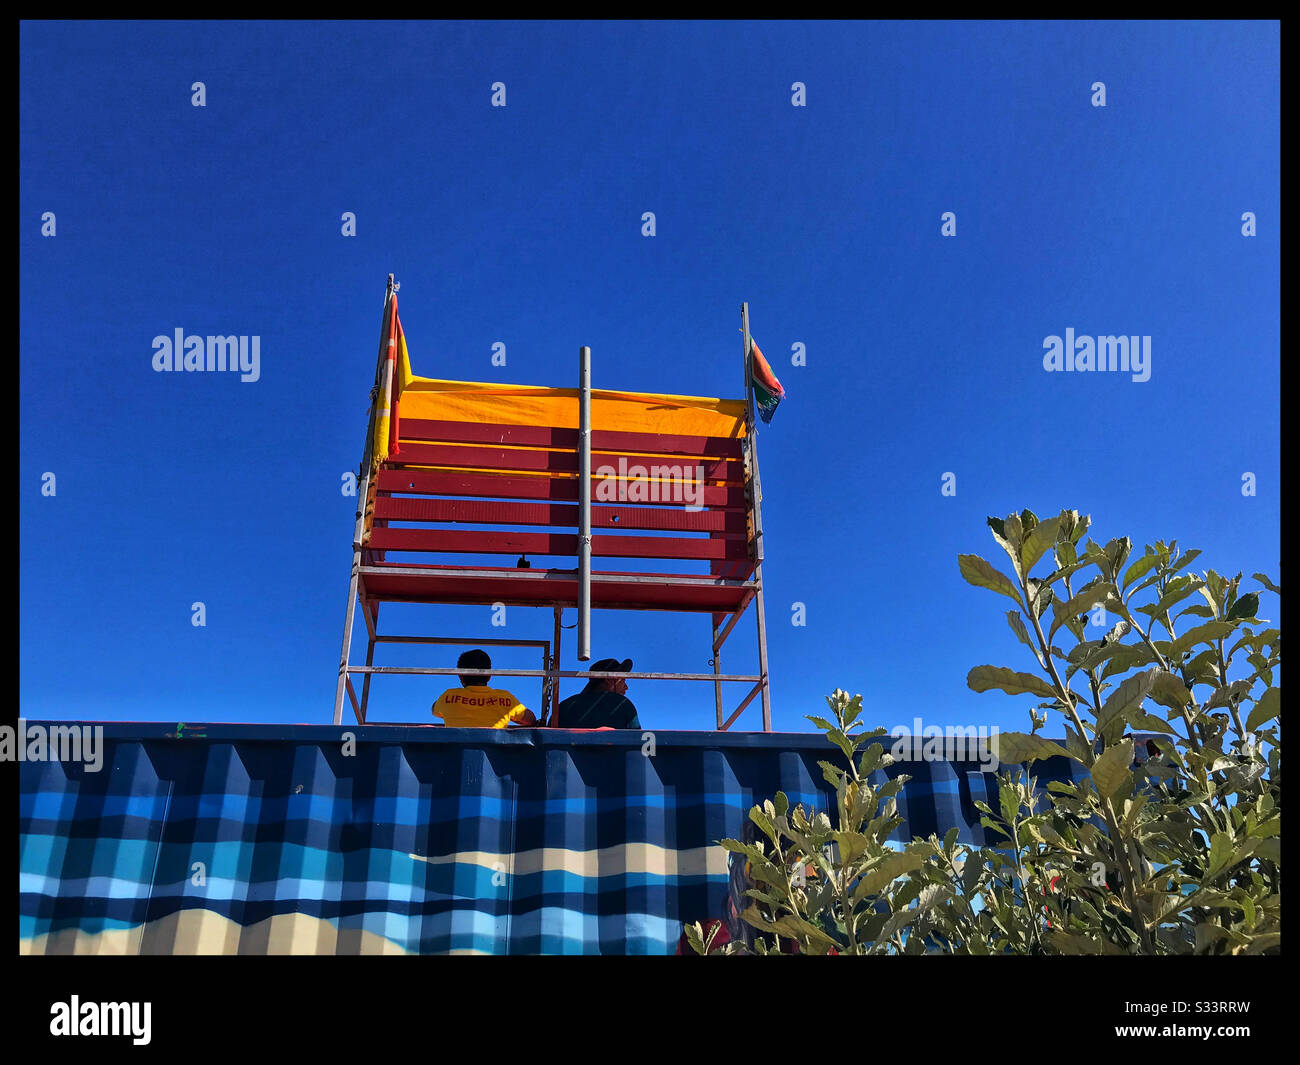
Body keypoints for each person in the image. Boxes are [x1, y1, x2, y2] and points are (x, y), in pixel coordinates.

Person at [431, 649, 537, 728]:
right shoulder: (505, 698)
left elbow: (434, 710)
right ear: (489, 675)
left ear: (460, 675)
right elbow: (531, 719)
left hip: (457, 756)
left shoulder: (448, 696)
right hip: (494, 757)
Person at [553, 657, 641, 729]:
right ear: (609, 679)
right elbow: (639, 743)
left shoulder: (563, 707)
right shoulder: (623, 704)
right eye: (623, 680)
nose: (626, 687)